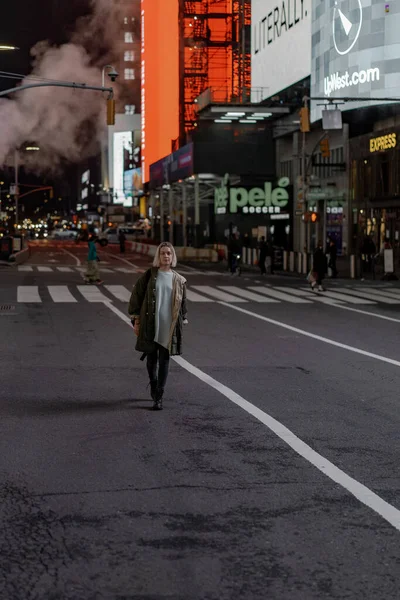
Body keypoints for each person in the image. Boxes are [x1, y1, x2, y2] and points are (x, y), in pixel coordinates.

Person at [128, 242, 188, 411]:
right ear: (158, 256)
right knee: (151, 358)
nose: (166, 256)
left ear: (173, 256)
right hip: (150, 324)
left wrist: (183, 319)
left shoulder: (179, 279)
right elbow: (136, 296)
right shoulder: (149, 275)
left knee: (165, 359)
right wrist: (136, 321)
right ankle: (153, 385)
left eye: (169, 253)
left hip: (168, 325)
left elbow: (183, 302)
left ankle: (159, 396)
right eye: (163, 253)